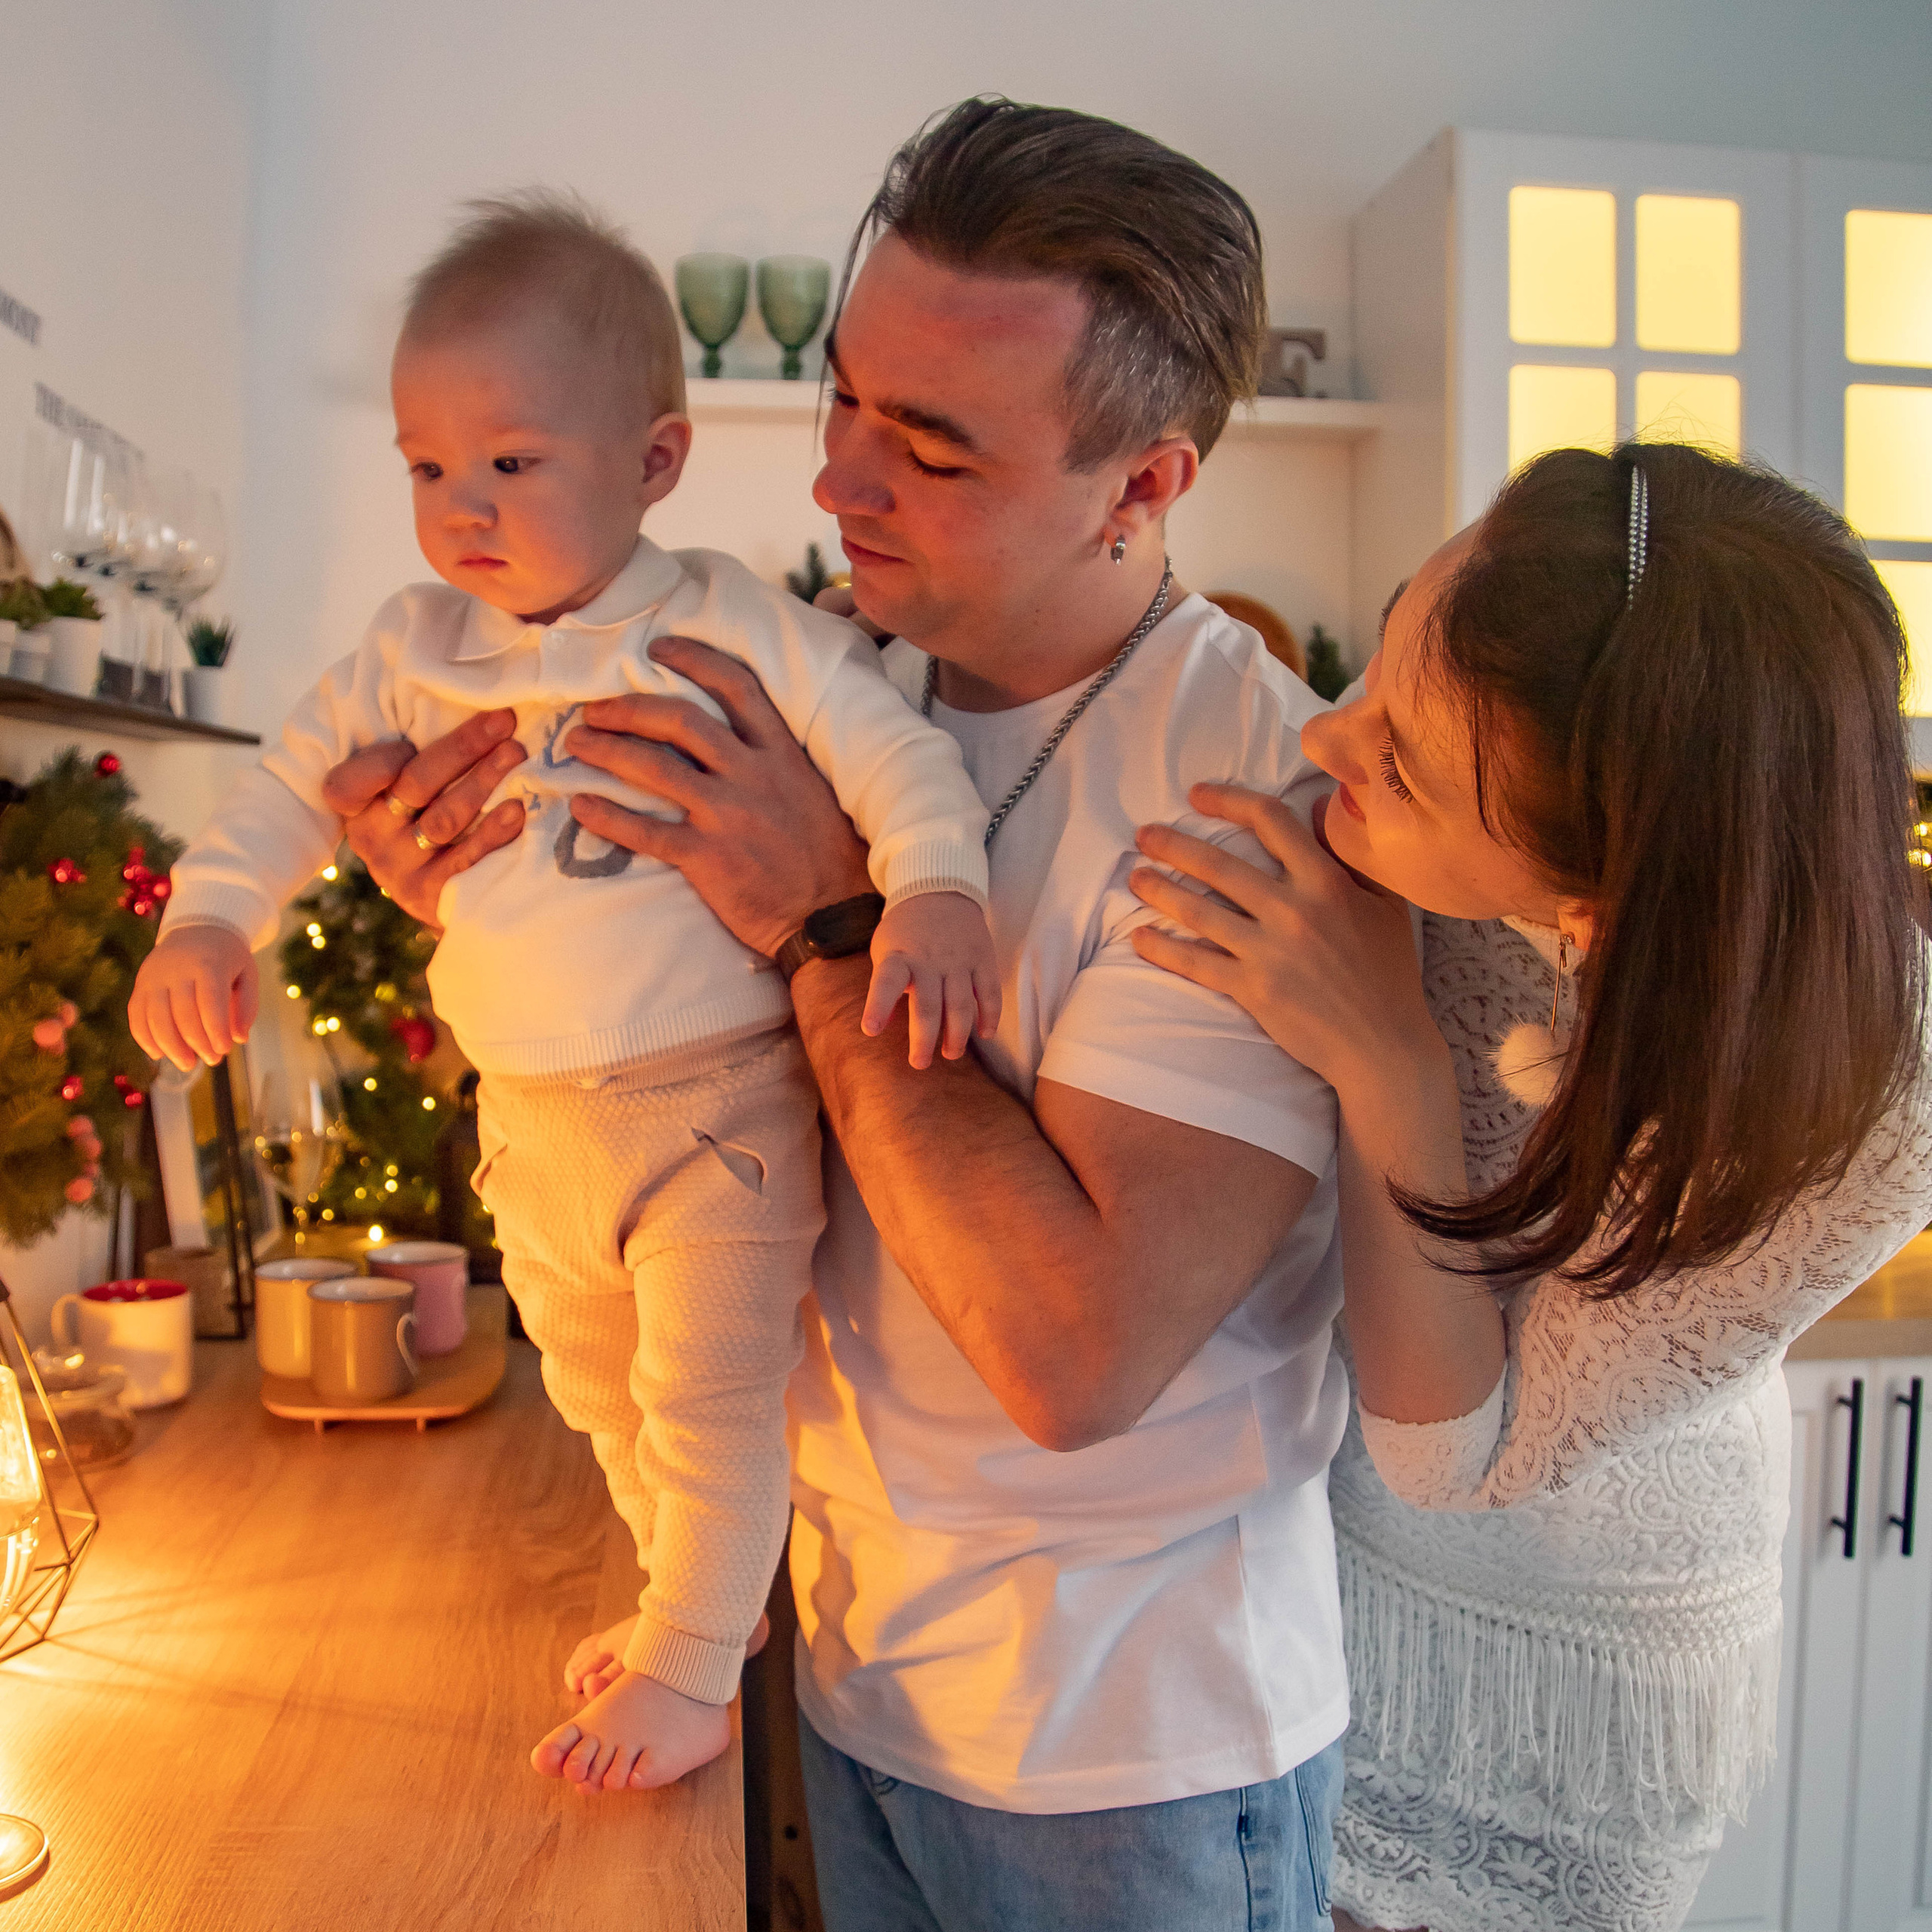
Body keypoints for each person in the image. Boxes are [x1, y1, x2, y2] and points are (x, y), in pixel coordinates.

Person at [325, 100, 1352, 1930]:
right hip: (835, 1667)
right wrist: (452, 873)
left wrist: (823, 925)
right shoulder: (832, 677)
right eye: (844, 404)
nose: (835, 487)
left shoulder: (1236, 790)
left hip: (1115, 1763)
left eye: (931, 449)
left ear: (1142, 485)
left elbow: (1075, 1354)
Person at [130, 190, 1001, 1792]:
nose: (461, 505)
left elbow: (892, 749)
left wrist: (936, 881)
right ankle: (705, 1596)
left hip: (716, 1103)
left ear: (653, 463)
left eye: (510, 462)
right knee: (597, 1385)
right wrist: (208, 923)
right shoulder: (415, 644)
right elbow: (279, 788)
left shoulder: (721, 617)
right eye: (425, 466)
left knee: (709, 1387)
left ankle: (687, 1658)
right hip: (527, 1122)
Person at [1126, 442, 1932, 1931]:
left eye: (1401, 764)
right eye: (1377, 656)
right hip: (1326, 1593)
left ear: (1591, 893)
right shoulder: (1416, 822)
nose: (1329, 744)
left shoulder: (1864, 1105)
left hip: (1562, 1687)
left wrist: (1388, 1061)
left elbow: (1462, 1453)